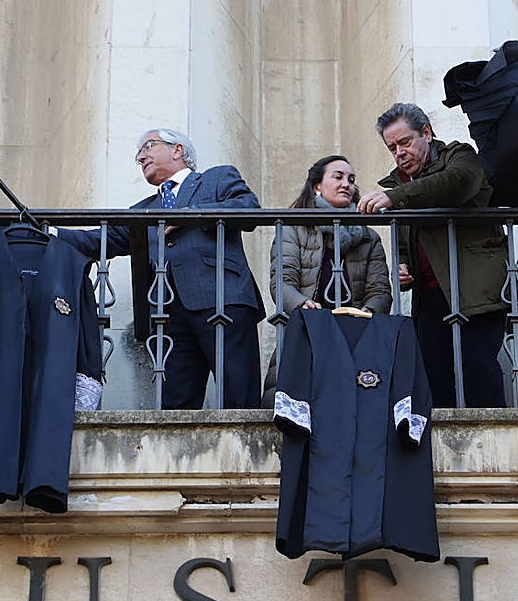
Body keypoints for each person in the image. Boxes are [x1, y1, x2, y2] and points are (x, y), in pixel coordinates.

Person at [58, 128, 264, 409]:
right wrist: (48, 234)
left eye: (148, 147)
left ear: (177, 150)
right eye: (138, 154)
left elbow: (248, 209)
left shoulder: (216, 179)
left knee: (239, 398)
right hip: (169, 316)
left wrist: (190, 216)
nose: (141, 157)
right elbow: (98, 239)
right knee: (174, 408)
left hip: (223, 302)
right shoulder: (143, 210)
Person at [357, 103, 509, 408]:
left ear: (426, 133)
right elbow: (405, 240)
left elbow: (457, 185)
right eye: (392, 148)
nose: (399, 153)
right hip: (429, 295)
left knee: (478, 372)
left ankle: (487, 449)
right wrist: (402, 266)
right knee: (431, 379)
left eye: (405, 142)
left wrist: (395, 197)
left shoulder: (459, 156)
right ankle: (441, 452)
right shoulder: (399, 183)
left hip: (472, 287)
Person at [264, 155, 391, 403]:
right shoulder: (295, 228)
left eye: (351, 179)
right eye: (338, 177)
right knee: (298, 404)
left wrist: (367, 311)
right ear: (317, 186)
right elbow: (282, 281)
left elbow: (380, 290)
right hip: (308, 328)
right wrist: (302, 304)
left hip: (356, 332)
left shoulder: (369, 236)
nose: (347, 184)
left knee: (357, 407)